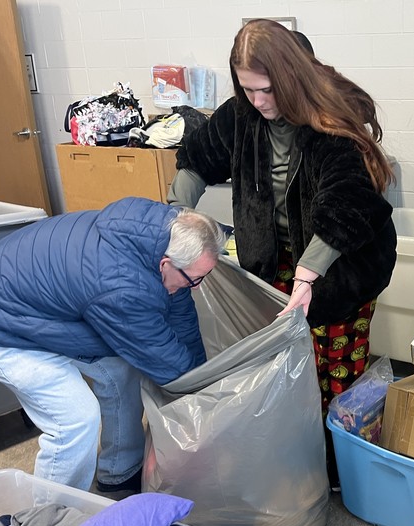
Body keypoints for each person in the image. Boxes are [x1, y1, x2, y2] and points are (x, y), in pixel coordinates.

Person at [168, 19, 397, 487]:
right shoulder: (241, 117)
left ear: (291, 77)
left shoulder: (333, 118)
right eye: (248, 89)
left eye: (267, 89)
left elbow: (345, 204)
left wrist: (309, 276)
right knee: (285, 368)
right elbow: (195, 160)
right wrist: (171, 219)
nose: (258, 101)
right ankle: (296, 458)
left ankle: (339, 469)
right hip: (273, 265)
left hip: (341, 268)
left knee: (338, 372)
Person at [0, 197, 226, 493]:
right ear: (165, 264)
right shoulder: (123, 287)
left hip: (34, 309)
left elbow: (180, 315)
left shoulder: (162, 236)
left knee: (121, 371)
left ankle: (120, 472)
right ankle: (46, 516)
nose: (196, 287)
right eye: (194, 280)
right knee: (76, 419)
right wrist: (203, 399)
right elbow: (164, 362)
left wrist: (200, 374)